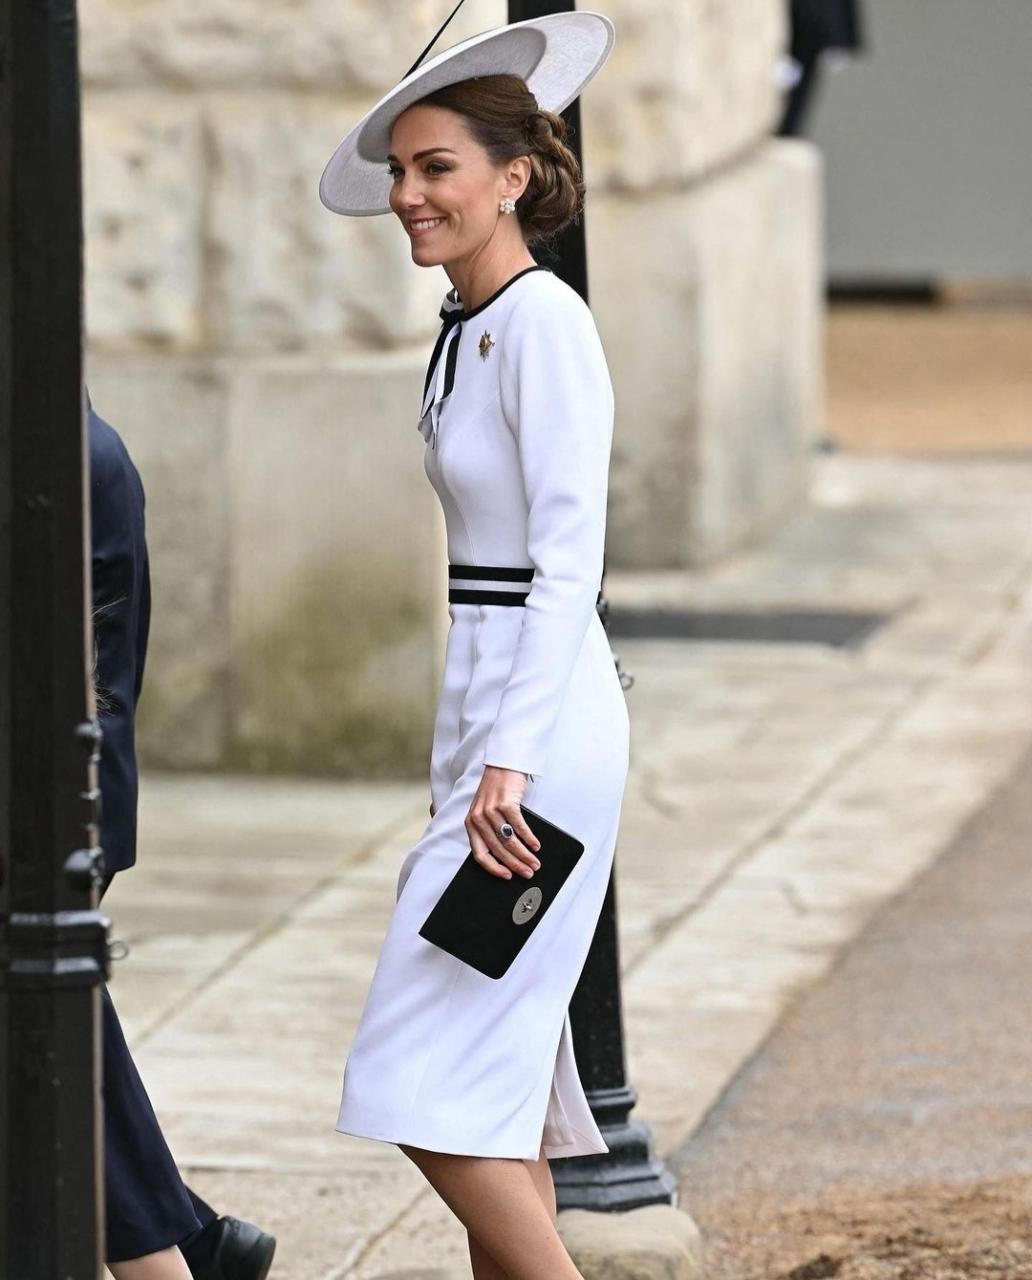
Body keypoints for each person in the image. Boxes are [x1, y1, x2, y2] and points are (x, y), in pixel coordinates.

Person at [318, 9, 625, 1279]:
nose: (408, 194)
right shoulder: (471, 325)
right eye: (398, 170)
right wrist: (469, 753)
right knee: (498, 1086)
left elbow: (568, 563)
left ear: (513, 176)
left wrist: (505, 762)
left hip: (539, 745)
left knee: (415, 1075)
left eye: (436, 167)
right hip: (499, 730)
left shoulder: (547, 323)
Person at [89, 402, 276, 1280]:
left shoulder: (79, 463)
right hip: (64, 808)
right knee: (61, 1032)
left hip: (57, 814)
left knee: (52, 1027)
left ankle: (181, 1254)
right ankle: (193, 1244)